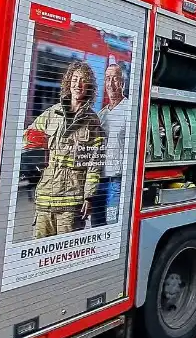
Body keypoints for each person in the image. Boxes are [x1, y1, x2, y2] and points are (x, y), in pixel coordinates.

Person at [28, 61, 105, 239]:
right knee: (38, 255)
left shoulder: (93, 122)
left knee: (65, 255)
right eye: (75, 79)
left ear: (89, 87)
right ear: (68, 82)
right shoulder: (51, 114)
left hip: (72, 202)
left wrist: (89, 196)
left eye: (83, 80)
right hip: (45, 199)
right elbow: (29, 138)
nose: (78, 84)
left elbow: (95, 163)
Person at [93, 63, 130, 228]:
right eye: (108, 79)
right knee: (96, 223)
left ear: (122, 82)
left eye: (115, 78)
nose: (111, 83)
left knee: (111, 223)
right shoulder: (101, 114)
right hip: (98, 179)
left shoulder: (130, 109)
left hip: (117, 181)